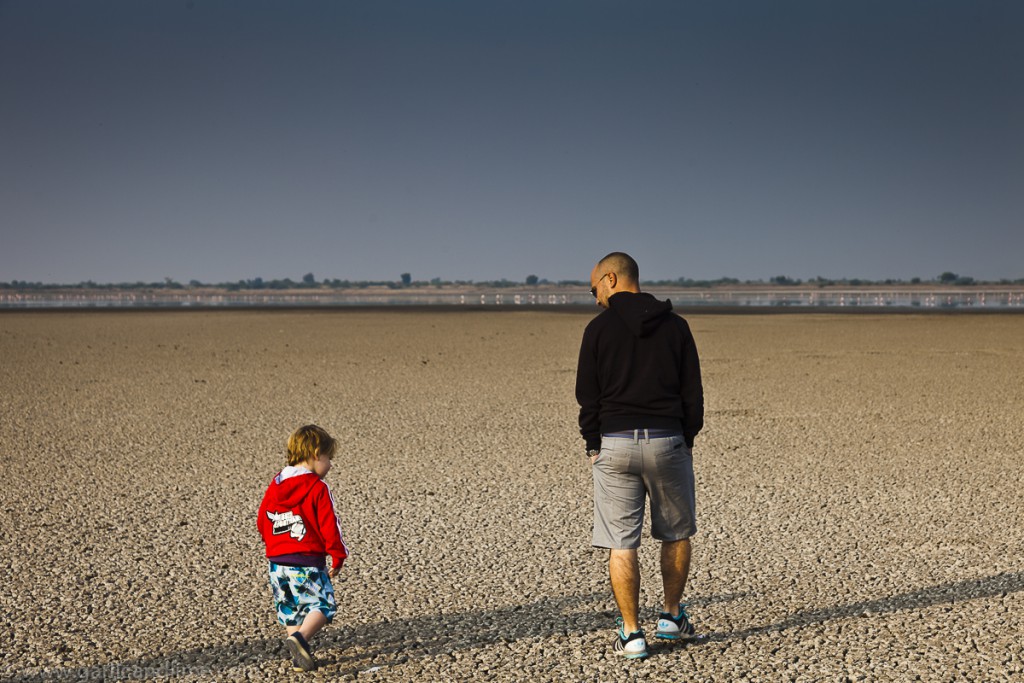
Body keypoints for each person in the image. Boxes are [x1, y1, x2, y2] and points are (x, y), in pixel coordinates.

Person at [575, 252, 704, 659]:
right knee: (676, 532)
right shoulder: (677, 327)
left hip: (615, 444)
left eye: (594, 287)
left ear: (611, 279)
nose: (595, 297)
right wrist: (686, 439)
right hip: (668, 440)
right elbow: (693, 394)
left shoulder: (597, 330)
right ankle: (669, 617)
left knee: (621, 542)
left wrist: (593, 443)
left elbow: (587, 396)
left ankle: (631, 634)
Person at [257, 425, 349, 672]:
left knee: (290, 608)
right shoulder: (317, 488)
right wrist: (338, 555)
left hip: (277, 562)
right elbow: (330, 525)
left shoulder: (276, 484)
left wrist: (274, 544)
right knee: (323, 605)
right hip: (306, 560)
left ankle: (299, 655)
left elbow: (262, 519)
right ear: (316, 454)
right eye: (329, 458)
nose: (330, 465)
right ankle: (300, 639)